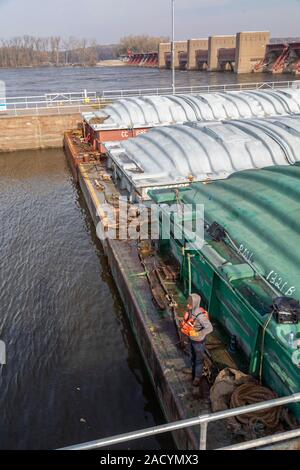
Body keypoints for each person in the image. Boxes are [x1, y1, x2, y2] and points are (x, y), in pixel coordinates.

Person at [181, 293, 213, 391]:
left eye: (189, 304)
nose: (187, 305)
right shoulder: (191, 311)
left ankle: (197, 377)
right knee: (190, 354)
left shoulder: (200, 316)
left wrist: (199, 334)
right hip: (191, 339)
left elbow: (210, 328)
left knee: (198, 360)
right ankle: (191, 369)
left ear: (195, 304)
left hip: (198, 342)